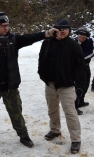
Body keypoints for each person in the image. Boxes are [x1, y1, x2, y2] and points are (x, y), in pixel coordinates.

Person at [0, 12, 57, 150]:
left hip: (10, 85)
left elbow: (29, 38)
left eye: (8, 25)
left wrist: (46, 33)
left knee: (16, 112)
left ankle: (24, 136)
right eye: (3, 26)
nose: (7, 28)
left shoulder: (12, 38)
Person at [38, 18, 86, 154]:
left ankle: (76, 139)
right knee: (52, 109)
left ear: (69, 31)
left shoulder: (74, 45)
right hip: (50, 83)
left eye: (65, 29)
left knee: (70, 112)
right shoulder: (47, 43)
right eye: (60, 29)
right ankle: (55, 130)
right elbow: (41, 59)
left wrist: (71, 79)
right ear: (55, 30)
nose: (62, 31)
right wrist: (42, 73)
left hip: (67, 85)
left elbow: (80, 65)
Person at [74, 27, 94, 114]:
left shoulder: (90, 41)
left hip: (86, 66)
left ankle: (81, 101)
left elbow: (93, 52)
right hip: (76, 68)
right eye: (80, 36)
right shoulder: (73, 42)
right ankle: (74, 106)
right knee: (78, 86)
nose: (81, 38)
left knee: (86, 84)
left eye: (83, 37)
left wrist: (80, 57)